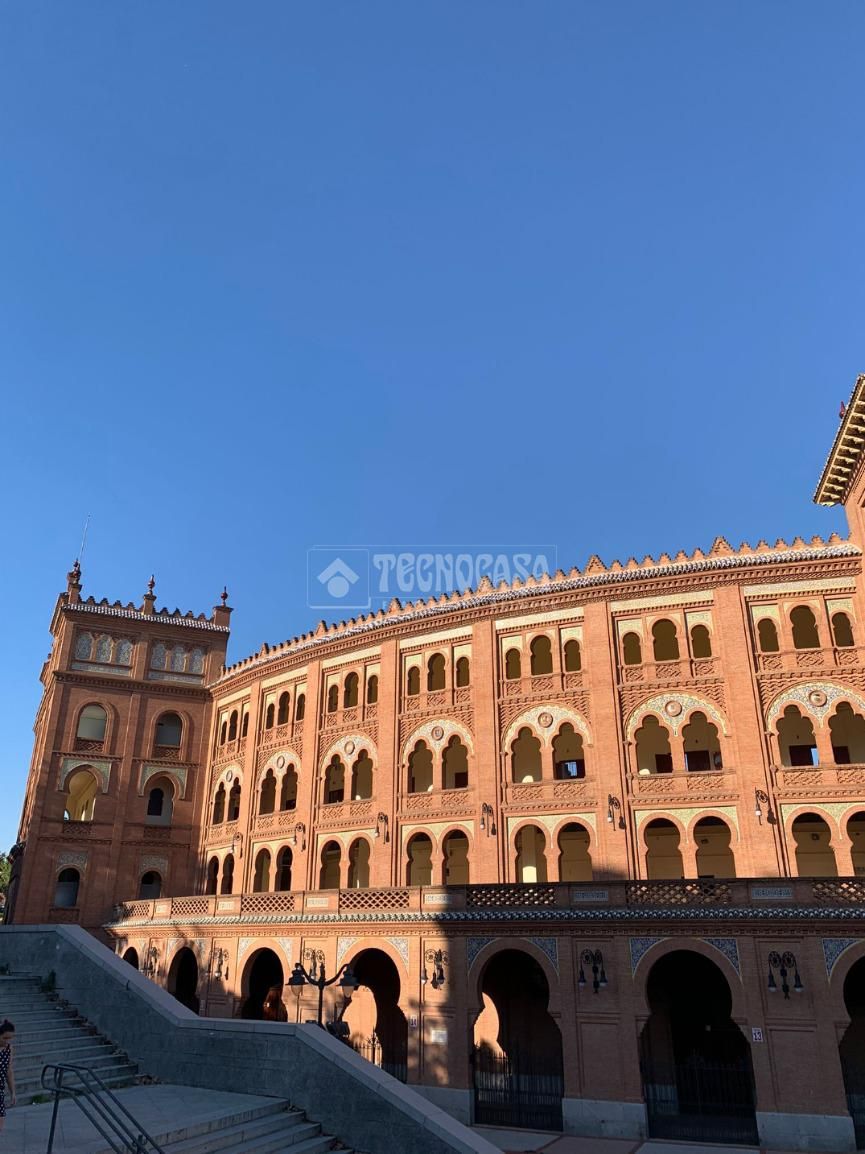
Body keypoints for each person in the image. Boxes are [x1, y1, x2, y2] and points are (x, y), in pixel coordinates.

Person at [0, 1020, 15, 1139]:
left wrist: (12, 1092)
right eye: (5, 1038)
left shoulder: (9, 1049)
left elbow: (9, 1071)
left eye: (10, 1038)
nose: (8, 1041)